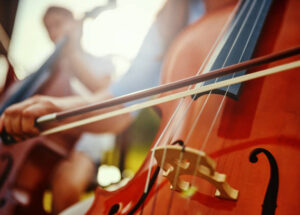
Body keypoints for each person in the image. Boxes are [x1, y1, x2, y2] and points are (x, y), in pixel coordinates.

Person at [0, 0, 213, 214]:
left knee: (66, 180)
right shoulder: (170, 21)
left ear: (75, 23)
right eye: (50, 27)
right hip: (48, 140)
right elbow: (121, 99)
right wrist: (49, 108)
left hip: (86, 139)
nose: (55, 31)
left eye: (59, 23)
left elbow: (104, 91)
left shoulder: (98, 60)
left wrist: (72, 54)